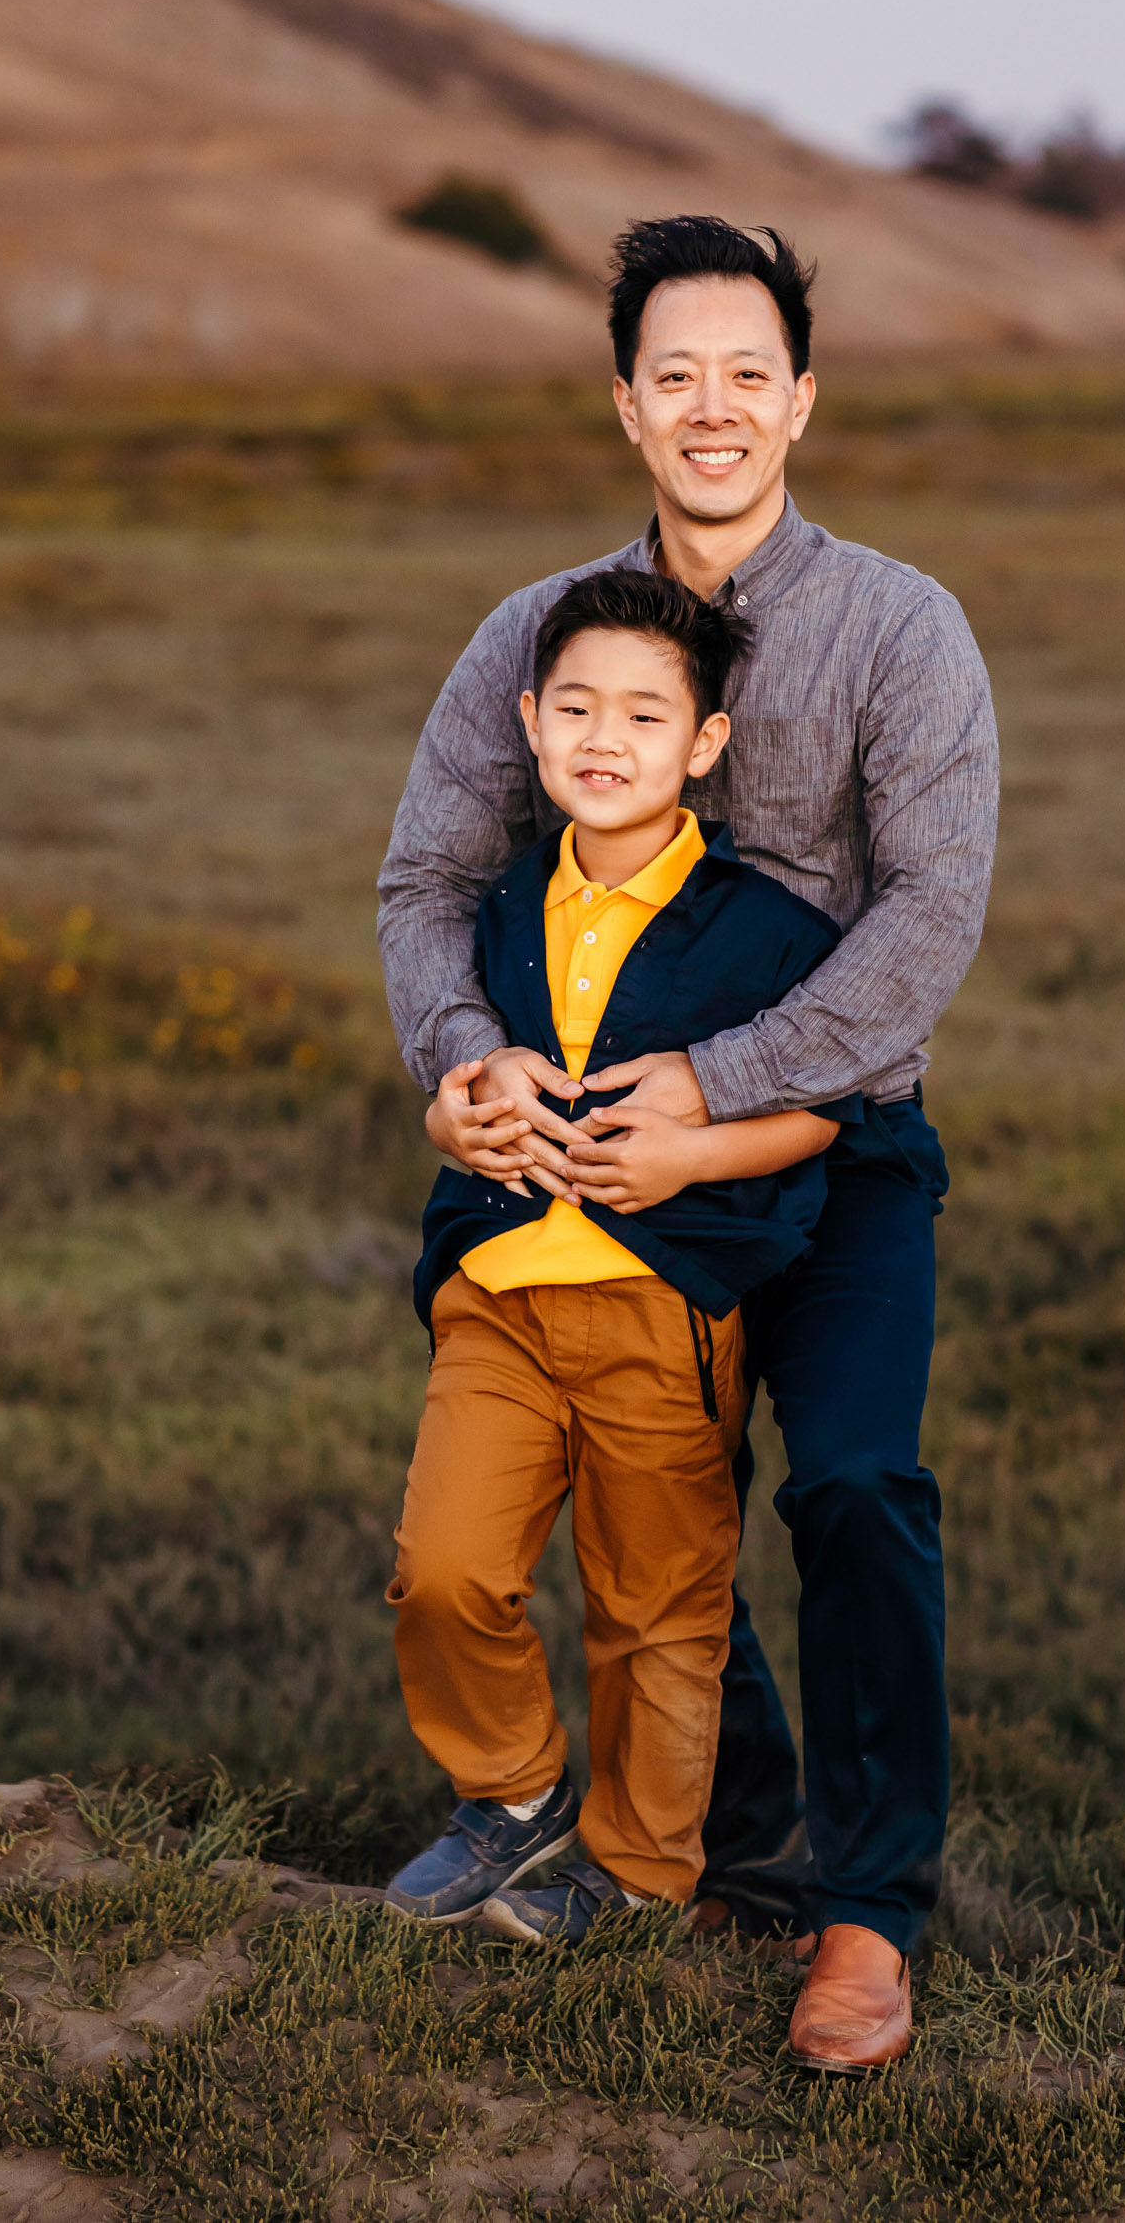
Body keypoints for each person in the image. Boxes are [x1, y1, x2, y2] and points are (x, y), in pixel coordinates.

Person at [378, 215, 999, 2071]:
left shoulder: (902, 625)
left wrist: (715, 1089)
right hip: (578, 1145)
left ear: (802, 397)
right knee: (657, 1509)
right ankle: (718, 1840)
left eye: (750, 372)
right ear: (626, 404)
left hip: (837, 1142)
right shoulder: (543, 635)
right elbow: (428, 876)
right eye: (675, 375)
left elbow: (930, 922)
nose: (712, 407)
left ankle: (869, 1911)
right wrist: (470, 1056)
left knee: (856, 1488)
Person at [383, 566, 865, 1942]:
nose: (606, 738)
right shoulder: (495, 909)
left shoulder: (767, 932)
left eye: (645, 715)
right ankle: (513, 1786)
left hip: (664, 1316)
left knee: (659, 1612)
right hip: (497, 1302)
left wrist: (689, 1155)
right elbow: (456, 1081)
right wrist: (448, 1109)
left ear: (704, 746)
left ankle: (643, 1875)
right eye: (578, 707)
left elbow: (820, 1104)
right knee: (445, 1565)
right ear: (531, 725)